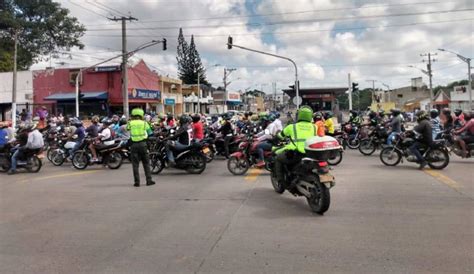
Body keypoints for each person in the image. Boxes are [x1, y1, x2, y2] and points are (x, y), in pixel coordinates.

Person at [274, 106, 316, 188]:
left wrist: (276, 137)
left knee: (278, 158)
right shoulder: (315, 127)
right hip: (311, 154)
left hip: (296, 154)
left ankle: (281, 181)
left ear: (299, 115)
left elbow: (280, 136)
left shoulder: (292, 126)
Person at [126, 108, 155, 187]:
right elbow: (150, 133)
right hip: (143, 145)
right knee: (146, 163)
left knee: (135, 165)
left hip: (133, 145)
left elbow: (127, 129)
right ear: (141, 115)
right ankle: (149, 180)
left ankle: (137, 182)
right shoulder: (145, 123)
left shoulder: (130, 123)